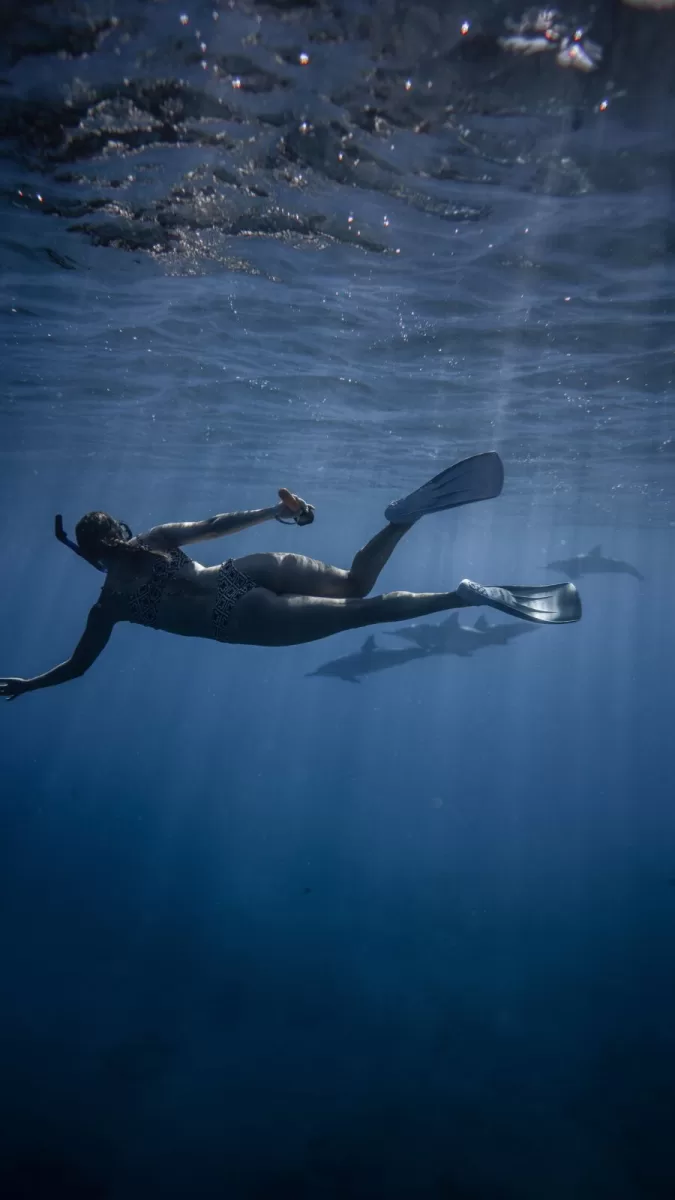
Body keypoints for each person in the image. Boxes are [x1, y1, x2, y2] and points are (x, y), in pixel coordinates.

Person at [0, 455, 581, 700]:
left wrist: (27, 684)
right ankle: (402, 521)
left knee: (366, 611)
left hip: (236, 618)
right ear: (120, 529)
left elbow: (77, 669)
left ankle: (458, 594)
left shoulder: (108, 605)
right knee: (358, 583)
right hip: (246, 569)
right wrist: (276, 512)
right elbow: (215, 524)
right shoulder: (153, 538)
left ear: (89, 553)